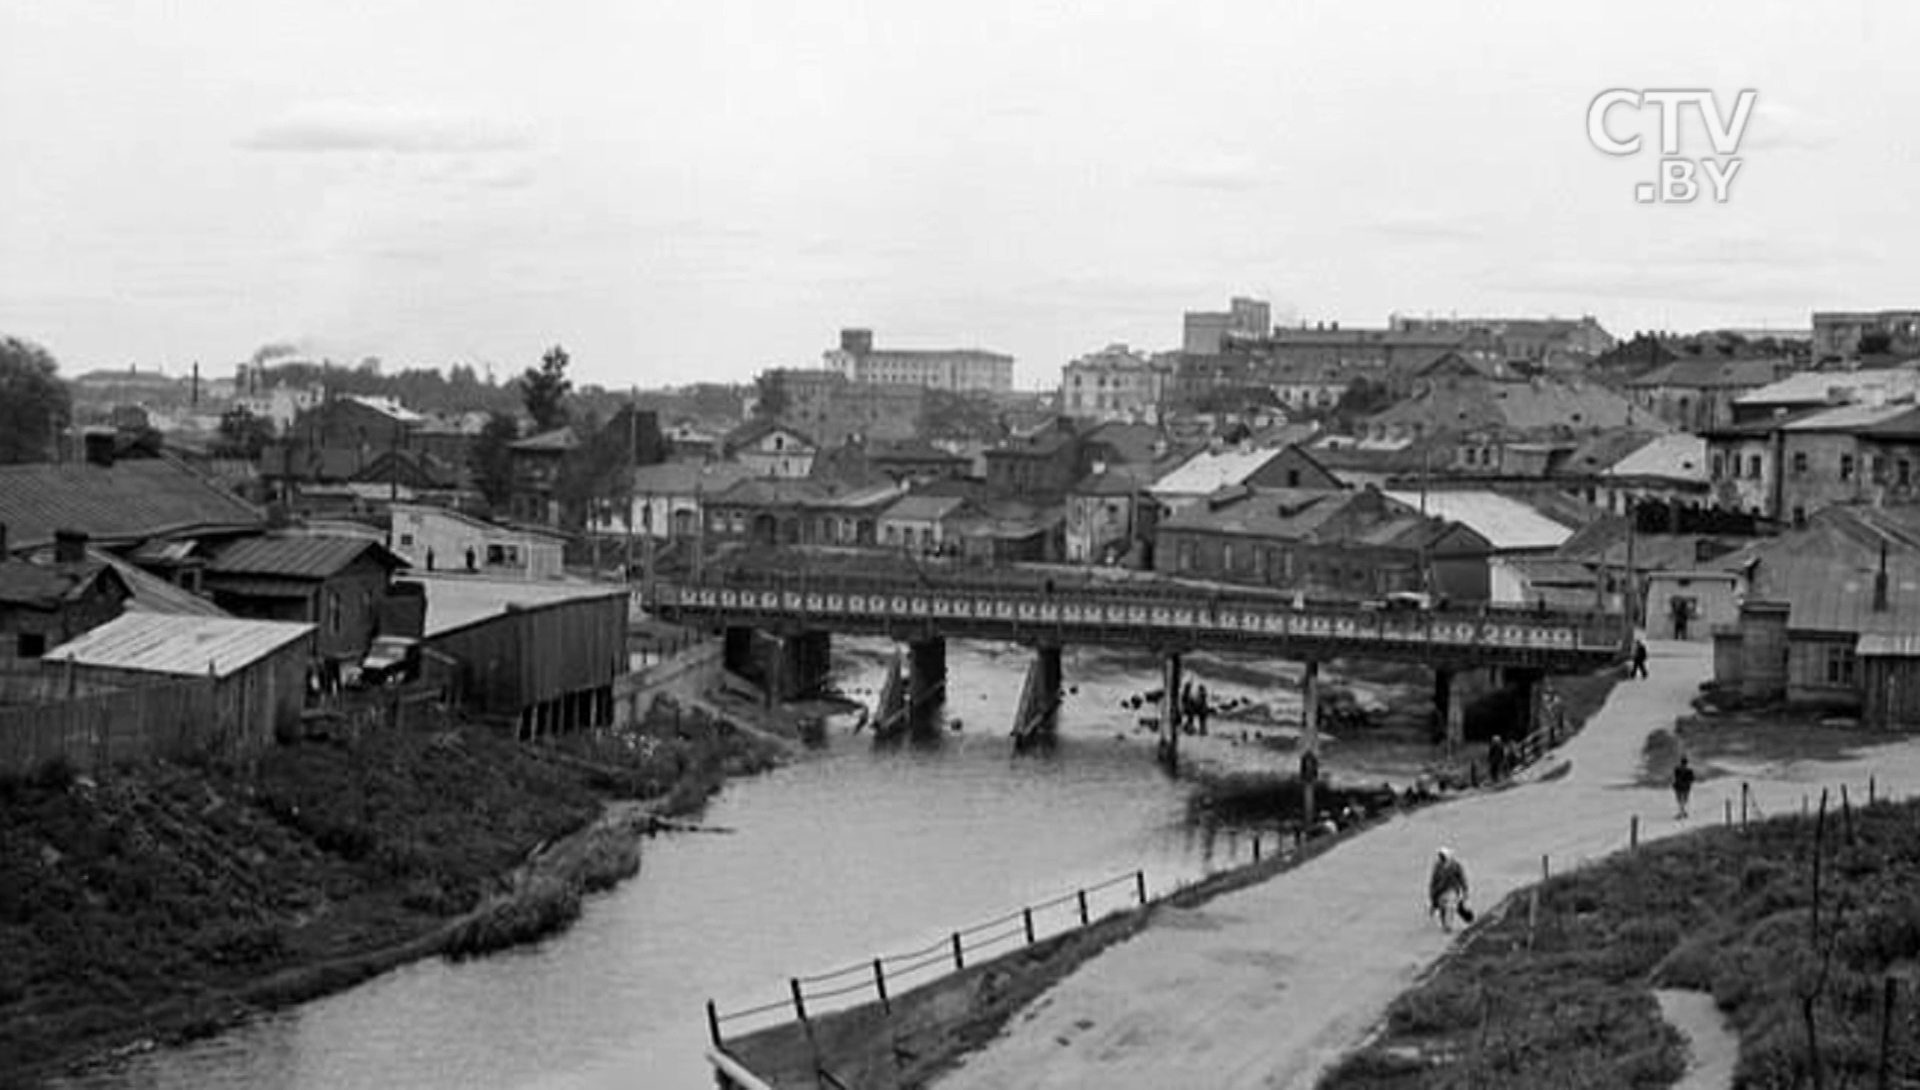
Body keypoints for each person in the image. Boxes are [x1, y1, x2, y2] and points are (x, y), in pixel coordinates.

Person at [1429, 847, 1470, 927]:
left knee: (1450, 906)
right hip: (1440, 891)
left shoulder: (1455, 866)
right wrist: (1432, 894)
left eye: (1442, 856)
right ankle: (1444, 924)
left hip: (1452, 889)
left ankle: (1449, 925)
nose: (1441, 858)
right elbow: (1434, 879)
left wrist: (1465, 890)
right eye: (1440, 856)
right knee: (1442, 908)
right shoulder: (1437, 866)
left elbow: (1461, 878)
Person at [1672, 754, 1697, 819]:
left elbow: (1675, 778)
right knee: (1684, 800)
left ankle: (1682, 812)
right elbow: (1692, 779)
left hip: (1678, 787)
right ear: (1686, 763)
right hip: (1686, 787)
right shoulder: (1689, 771)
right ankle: (1683, 812)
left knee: (1680, 801)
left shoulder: (1677, 769)